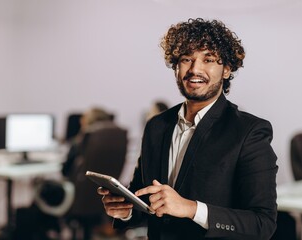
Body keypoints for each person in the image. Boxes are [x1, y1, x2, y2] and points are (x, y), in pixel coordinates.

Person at [98, 18, 278, 240]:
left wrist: (190, 208)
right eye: (186, 59)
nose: (195, 69)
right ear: (175, 66)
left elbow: (262, 224)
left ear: (226, 69)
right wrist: (125, 210)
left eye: (208, 59)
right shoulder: (157, 126)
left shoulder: (249, 131)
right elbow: (143, 201)